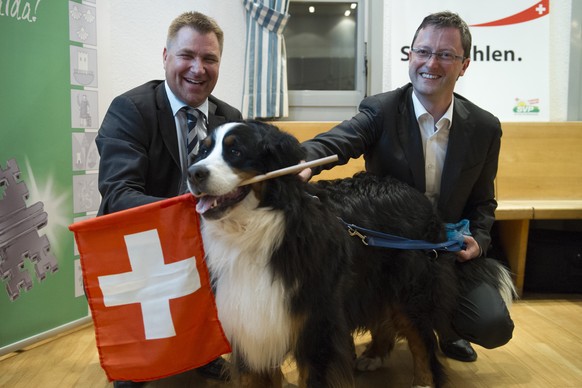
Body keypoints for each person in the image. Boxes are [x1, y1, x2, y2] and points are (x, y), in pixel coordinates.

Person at [300, 11, 514, 362]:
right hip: (390, 253)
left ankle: (446, 331)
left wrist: (480, 241)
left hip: (446, 250)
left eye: (446, 54)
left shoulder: (484, 127)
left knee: (492, 325)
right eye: (422, 51)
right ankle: (387, 330)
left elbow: (483, 202)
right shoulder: (380, 110)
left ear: (464, 65)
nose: (431, 63)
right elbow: (335, 143)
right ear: (410, 55)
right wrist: (301, 163)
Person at [96, 11, 242, 387]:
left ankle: (205, 349)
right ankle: (136, 359)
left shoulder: (230, 118)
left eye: (209, 59)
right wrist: (188, 215)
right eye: (187, 56)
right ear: (165, 57)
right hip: (142, 246)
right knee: (137, 371)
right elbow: (118, 193)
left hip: (210, 244)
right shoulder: (131, 110)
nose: (198, 68)